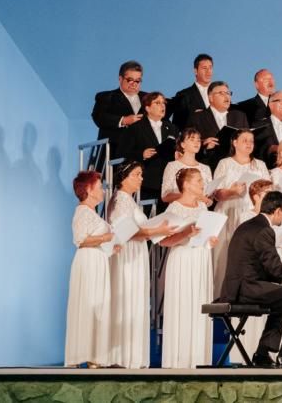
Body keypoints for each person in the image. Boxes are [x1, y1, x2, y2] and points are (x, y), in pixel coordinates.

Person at [219, 190, 282, 368]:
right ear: (278, 211)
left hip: (239, 287)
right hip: (247, 288)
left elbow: (265, 268)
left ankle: (263, 353)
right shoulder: (264, 230)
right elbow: (275, 268)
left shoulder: (250, 225)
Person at [109, 162, 174, 369]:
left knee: (135, 300)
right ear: (123, 177)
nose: (141, 178)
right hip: (128, 255)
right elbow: (126, 232)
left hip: (136, 253)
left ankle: (132, 355)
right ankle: (123, 355)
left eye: (141, 174)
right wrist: (155, 230)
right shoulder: (121, 200)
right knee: (128, 298)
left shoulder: (129, 201)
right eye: (137, 175)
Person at [158, 167, 219, 369]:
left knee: (199, 303)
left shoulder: (203, 208)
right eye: (198, 180)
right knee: (183, 304)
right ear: (186, 184)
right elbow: (164, 241)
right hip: (183, 259)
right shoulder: (174, 208)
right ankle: (180, 359)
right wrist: (186, 234)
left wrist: (211, 239)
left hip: (201, 259)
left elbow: (206, 233)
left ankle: (199, 358)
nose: (203, 184)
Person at [65, 171, 115, 367]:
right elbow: (81, 240)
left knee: (97, 306)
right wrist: (105, 238)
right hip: (87, 262)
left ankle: (95, 355)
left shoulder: (92, 213)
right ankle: (80, 355)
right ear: (88, 189)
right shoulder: (82, 211)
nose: (102, 190)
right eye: (99, 187)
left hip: (98, 260)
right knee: (87, 305)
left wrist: (112, 245)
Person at [210, 129, 269, 296]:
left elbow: (268, 190)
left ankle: (248, 293)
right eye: (245, 140)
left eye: (251, 140)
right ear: (234, 143)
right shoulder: (225, 163)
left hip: (253, 213)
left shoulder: (260, 165)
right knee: (226, 255)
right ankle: (224, 295)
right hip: (229, 212)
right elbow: (217, 194)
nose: (249, 143)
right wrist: (233, 191)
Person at [121, 91, 179, 202]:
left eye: (164, 103)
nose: (162, 106)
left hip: (169, 180)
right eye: (157, 103)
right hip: (148, 180)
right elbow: (122, 153)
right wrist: (141, 154)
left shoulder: (172, 128)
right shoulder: (135, 128)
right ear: (147, 108)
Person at [91, 60, 145, 159]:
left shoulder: (148, 97)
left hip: (143, 153)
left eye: (137, 80)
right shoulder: (106, 96)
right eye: (130, 80)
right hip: (115, 153)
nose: (134, 84)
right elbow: (98, 117)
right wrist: (123, 120)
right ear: (120, 79)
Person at [191, 80, 249, 172]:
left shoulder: (240, 116)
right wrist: (203, 144)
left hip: (238, 168)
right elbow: (188, 145)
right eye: (221, 93)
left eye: (228, 93)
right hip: (211, 168)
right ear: (211, 98)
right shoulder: (198, 118)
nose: (226, 96)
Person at [161, 127, 213, 205]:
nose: (197, 143)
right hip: (179, 211)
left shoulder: (205, 168)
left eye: (198, 140)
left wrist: (208, 200)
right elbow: (165, 197)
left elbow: (209, 197)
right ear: (183, 144)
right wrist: (189, 196)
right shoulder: (172, 166)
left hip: (200, 211)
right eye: (192, 140)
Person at [170, 53, 214, 128]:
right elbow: (177, 126)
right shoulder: (183, 95)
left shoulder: (221, 93)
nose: (208, 72)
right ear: (195, 71)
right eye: (204, 68)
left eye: (210, 68)